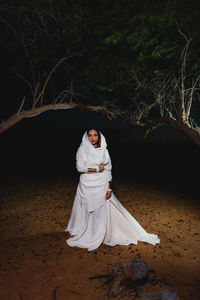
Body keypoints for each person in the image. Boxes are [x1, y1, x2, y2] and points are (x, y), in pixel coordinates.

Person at [64, 129, 160, 251]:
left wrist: (109, 188)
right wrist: (96, 169)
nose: (92, 138)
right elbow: (80, 167)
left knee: (101, 211)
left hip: (101, 184)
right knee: (87, 208)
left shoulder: (104, 150)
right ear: (86, 137)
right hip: (86, 184)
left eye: (95, 135)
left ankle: (100, 233)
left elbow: (108, 169)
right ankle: (86, 230)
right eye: (90, 135)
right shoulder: (82, 149)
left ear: (98, 137)